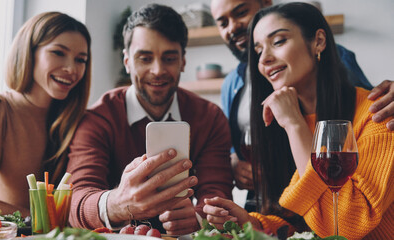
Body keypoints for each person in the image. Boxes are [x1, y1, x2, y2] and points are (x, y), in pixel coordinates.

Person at [203, 3, 393, 239]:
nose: (265, 59)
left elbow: (343, 228)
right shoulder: (280, 120)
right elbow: (301, 220)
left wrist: (295, 125)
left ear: (318, 42)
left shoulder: (379, 115)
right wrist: (250, 223)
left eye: (279, 41)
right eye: (259, 50)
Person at [66, 3, 233, 235]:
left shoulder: (210, 118)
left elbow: (218, 193)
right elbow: (76, 200)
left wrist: (197, 217)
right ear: (127, 61)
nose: (157, 70)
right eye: (145, 58)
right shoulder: (98, 119)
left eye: (169, 58)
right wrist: (118, 203)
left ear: (183, 61)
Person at [0, 12, 91, 218]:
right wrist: (43, 222)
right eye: (58, 52)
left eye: (81, 60)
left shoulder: (77, 120)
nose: (71, 69)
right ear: (29, 52)